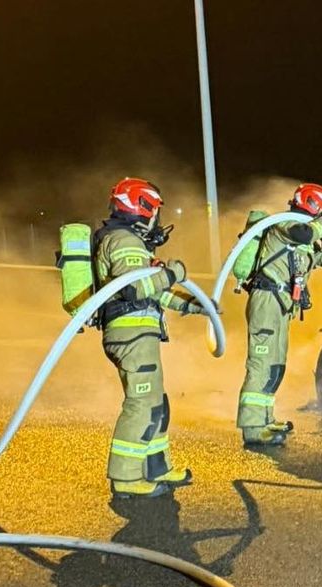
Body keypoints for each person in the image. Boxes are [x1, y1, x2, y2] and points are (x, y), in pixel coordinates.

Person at [94, 177, 208, 497]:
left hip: (138, 334)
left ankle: (157, 467)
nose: (156, 219)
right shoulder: (125, 241)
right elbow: (131, 289)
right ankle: (126, 478)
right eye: (154, 210)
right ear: (140, 207)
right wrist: (172, 274)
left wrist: (195, 306)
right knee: (142, 404)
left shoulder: (131, 243)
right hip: (131, 335)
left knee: (158, 404)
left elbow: (152, 294)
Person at [234, 182, 322, 447]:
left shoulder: (303, 238)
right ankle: (252, 427)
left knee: (274, 366)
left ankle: (264, 420)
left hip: (280, 306)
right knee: (260, 364)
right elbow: (306, 233)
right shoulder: (285, 224)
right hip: (266, 300)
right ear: (312, 204)